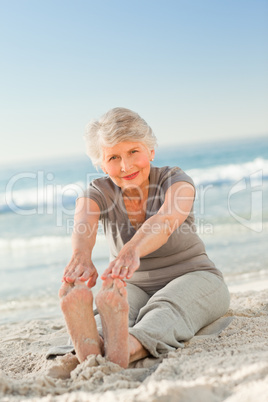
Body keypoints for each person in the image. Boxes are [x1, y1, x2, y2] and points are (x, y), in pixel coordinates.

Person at [59, 107, 230, 369]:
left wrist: (132, 249)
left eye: (133, 152)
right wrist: (81, 258)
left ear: (150, 151)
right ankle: (98, 341)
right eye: (113, 157)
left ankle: (121, 347)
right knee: (115, 308)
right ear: (101, 164)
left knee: (166, 306)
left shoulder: (175, 180)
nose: (125, 166)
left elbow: (166, 219)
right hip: (132, 285)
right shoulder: (97, 191)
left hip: (195, 275)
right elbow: (83, 223)